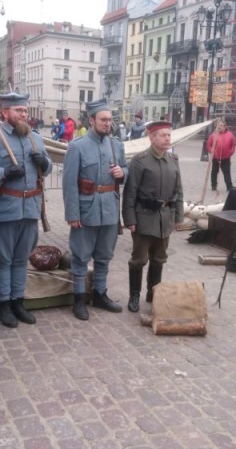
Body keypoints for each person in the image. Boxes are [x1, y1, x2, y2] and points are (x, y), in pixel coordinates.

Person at [0, 92, 52, 328]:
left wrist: (45, 163)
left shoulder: (35, 138)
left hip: (30, 209)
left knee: (21, 259)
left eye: (25, 110)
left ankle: (18, 301)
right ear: (4, 112)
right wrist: (3, 173)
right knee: (3, 260)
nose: (23, 114)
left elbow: (48, 168)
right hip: (4, 209)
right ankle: (4, 303)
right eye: (18, 110)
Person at [62, 98, 127, 320]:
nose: (108, 123)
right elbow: (69, 183)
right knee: (80, 257)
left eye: (110, 119)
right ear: (91, 120)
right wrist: (72, 214)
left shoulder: (116, 145)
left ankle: (100, 293)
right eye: (103, 119)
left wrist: (122, 173)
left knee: (104, 256)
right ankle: (79, 298)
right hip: (86, 209)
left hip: (109, 208)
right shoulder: (77, 146)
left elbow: (125, 169)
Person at [122, 120, 183, 313]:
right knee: (139, 259)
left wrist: (178, 216)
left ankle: (153, 292)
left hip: (165, 218)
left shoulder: (173, 160)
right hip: (144, 218)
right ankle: (134, 295)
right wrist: (130, 220)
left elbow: (179, 191)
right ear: (152, 137)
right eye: (163, 135)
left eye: (169, 135)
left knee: (159, 258)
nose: (167, 138)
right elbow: (130, 193)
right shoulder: (140, 161)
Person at [206, 118, 236, 192]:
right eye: (218, 126)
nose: (220, 127)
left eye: (222, 125)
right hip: (215, 157)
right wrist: (211, 151)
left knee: (227, 172)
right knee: (214, 172)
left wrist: (230, 152)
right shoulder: (213, 135)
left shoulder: (230, 134)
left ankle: (229, 186)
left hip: (226, 157)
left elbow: (233, 144)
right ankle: (213, 185)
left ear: (225, 126)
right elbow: (208, 145)